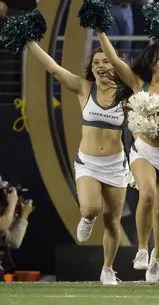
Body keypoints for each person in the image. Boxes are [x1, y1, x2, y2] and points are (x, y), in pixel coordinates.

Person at [26, 41, 127, 285]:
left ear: (116, 65)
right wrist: (30, 42)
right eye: (96, 62)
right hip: (88, 162)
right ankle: (87, 218)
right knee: (91, 209)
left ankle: (107, 269)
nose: (101, 66)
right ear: (90, 68)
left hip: (115, 164)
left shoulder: (127, 93)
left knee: (113, 221)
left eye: (106, 61)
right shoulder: (84, 88)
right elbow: (52, 67)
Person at [98, 34, 159, 283]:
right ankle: (142, 248)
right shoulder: (138, 83)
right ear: (150, 61)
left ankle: (158, 255)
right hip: (143, 150)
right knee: (148, 193)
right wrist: (100, 31)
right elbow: (114, 60)